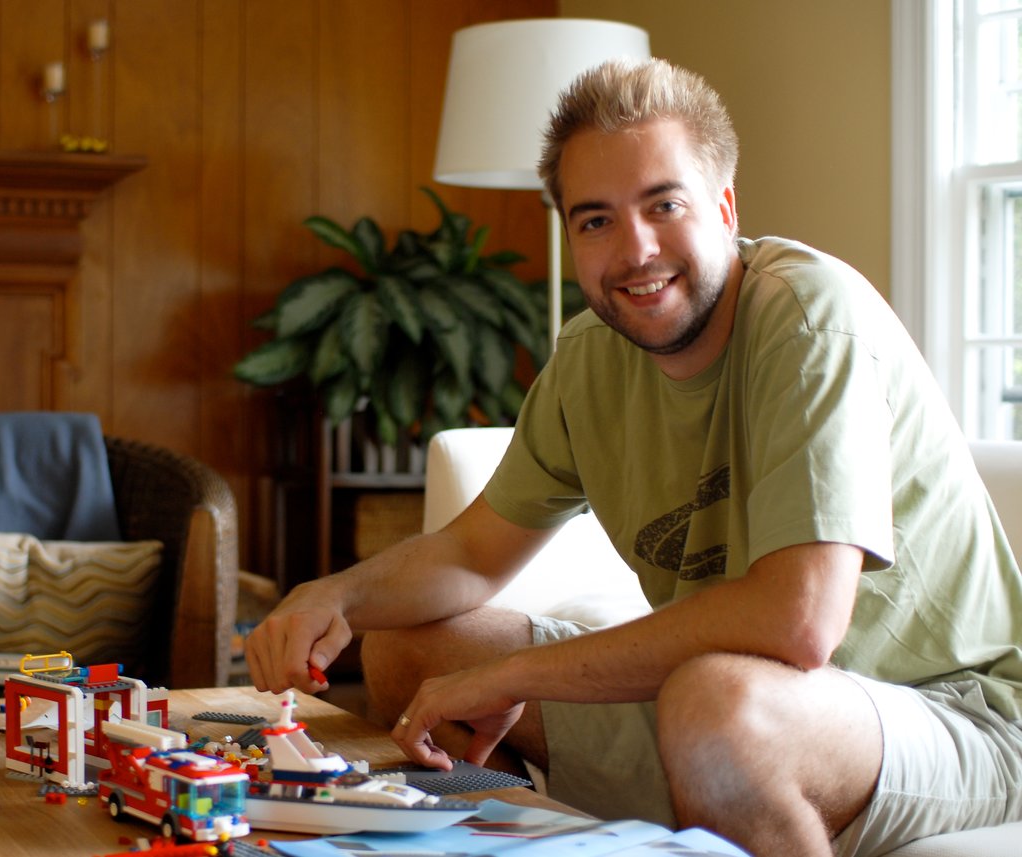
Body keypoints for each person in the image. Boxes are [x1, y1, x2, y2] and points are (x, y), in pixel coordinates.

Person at [244, 57, 1022, 857]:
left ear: (724, 207)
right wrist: (333, 594)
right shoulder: (588, 359)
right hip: (723, 703)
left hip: (955, 715)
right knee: (410, 646)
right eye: (596, 220)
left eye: (664, 205)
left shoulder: (808, 320)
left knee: (715, 704)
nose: (636, 248)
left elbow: (796, 623)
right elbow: (470, 553)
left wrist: (513, 676)